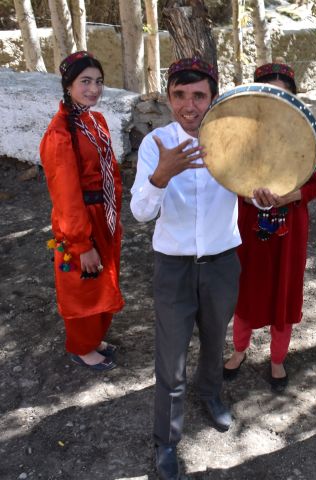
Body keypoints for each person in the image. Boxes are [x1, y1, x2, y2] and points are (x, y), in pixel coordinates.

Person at [130, 57, 241, 480]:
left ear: (213, 98)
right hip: (173, 267)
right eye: (180, 95)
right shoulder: (155, 144)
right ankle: (167, 440)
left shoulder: (231, 139)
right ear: (169, 97)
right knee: (171, 358)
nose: (189, 105)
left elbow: (252, 190)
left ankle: (211, 395)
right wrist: (161, 175)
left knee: (215, 341)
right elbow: (141, 212)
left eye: (199, 95)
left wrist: (263, 196)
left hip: (222, 263)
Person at [222, 62, 316, 393]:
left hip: (290, 227)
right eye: (271, 94)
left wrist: (287, 196)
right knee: (246, 285)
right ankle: (239, 350)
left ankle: (277, 358)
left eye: (285, 94)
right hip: (249, 224)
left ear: (294, 99)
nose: (278, 100)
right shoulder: (240, 139)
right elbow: (228, 178)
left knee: (284, 288)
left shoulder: (308, 139)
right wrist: (251, 196)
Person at [39, 51, 123, 372]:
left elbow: (109, 171)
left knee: (103, 280)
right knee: (84, 283)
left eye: (98, 82)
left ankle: (94, 339)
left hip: (104, 216)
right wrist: (81, 243)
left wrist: (112, 215)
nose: (93, 89)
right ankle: (80, 347)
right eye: (85, 81)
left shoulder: (94, 121)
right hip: (81, 220)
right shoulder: (60, 133)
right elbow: (66, 194)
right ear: (68, 85)